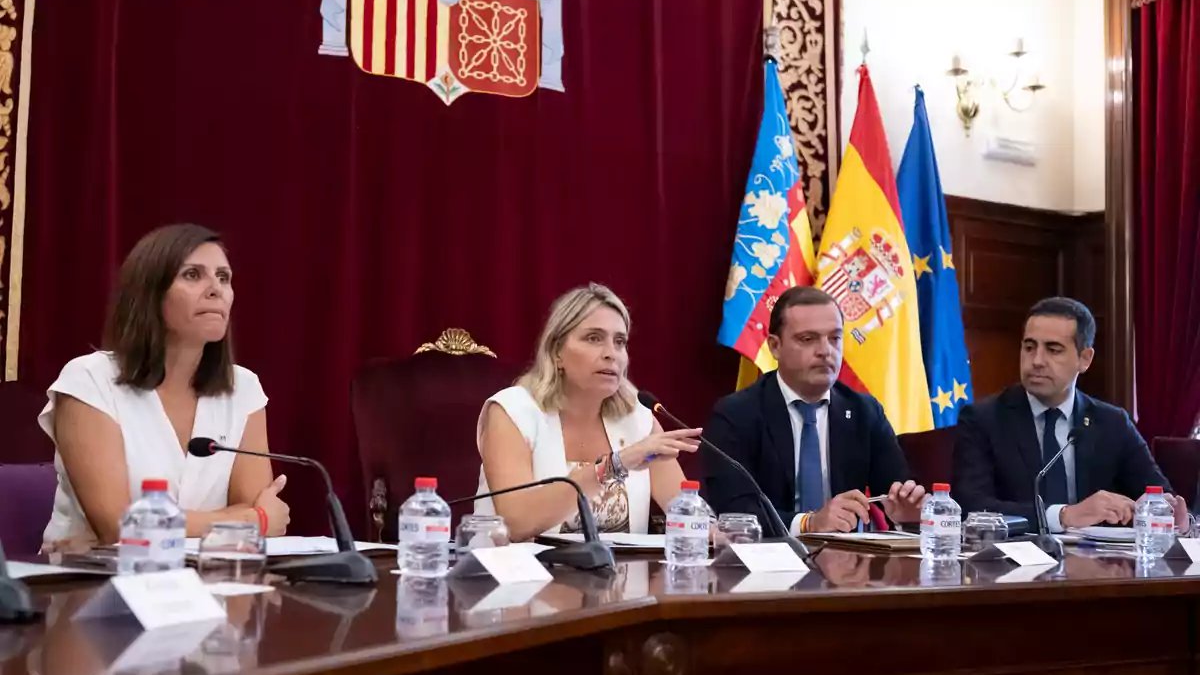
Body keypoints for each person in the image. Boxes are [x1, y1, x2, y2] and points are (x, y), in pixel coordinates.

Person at [39, 224, 290, 549]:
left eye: (223, 277)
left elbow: (255, 507)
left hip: (209, 582)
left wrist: (248, 519)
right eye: (192, 275)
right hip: (89, 586)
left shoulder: (243, 388)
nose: (216, 289)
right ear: (150, 292)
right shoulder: (89, 379)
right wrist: (250, 520)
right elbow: (119, 526)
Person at [475, 284, 702, 541]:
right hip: (519, 577)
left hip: (621, 578)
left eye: (620, 342)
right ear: (556, 351)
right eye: (594, 338)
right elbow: (516, 523)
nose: (611, 354)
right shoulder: (512, 411)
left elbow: (688, 515)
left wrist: (723, 533)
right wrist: (617, 464)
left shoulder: (637, 419)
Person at [703, 286, 925, 535]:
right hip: (766, 563)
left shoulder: (864, 411)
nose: (825, 351)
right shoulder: (737, 414)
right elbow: (735, 511)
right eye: (808, 339)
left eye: (834, 338)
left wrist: (906, 514)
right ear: (775, 346)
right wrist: (810, 523)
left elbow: (895, 492)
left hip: (848, 566)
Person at [953, 296, 1188, 532]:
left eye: (1053, 350)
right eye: (1029, 347)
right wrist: (1064, 515)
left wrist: (1162, 509)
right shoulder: (983, 419)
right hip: (1016, 562)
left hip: (1102, 564)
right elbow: (972, 508)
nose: (1036, 361)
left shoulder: (1112, 423)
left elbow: (1157, 493)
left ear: (1085, 359)